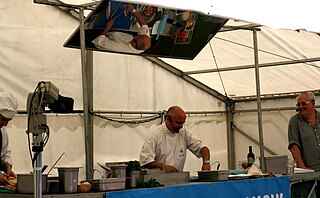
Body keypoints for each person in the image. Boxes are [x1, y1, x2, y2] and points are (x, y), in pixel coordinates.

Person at [139, 106, 211, 172]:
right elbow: (145, 161)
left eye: (183, 123)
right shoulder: (154, 135)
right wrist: (163, 167)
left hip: (177, 180)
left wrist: (206, 162)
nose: (181, 126)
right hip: (158, 182)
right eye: (178, 123)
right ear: (168, 119)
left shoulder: (184, 133)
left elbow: (203, 148)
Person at [288, 91, 320, 197]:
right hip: (308, 176)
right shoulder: (295, 121)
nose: (300, 107)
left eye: (303, 103)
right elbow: (294, 146)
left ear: (313, 103)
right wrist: (302, 169)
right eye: (298, 104)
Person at [0, 91, 18, 185]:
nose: (5, 124)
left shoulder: (2, 131)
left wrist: (7, 167)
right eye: (3, 119)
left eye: (8, 121)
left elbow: (4, 154)